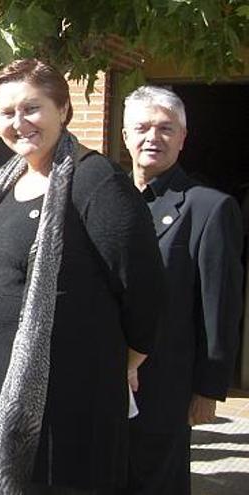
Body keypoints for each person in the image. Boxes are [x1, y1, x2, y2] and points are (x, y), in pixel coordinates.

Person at [0, 59, 165, 493]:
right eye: (7, 113)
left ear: (62, 109)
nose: (18, 123)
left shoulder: (95, 181)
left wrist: (129, 359)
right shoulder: (5, 181)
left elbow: (145, 289)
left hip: (64, 406)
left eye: (31, 109)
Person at [122, 86, 243, 495]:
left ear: (183, 138)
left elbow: (219, 305)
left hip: (166, 385)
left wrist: (208, 389)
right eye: (142, 128)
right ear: (125, 136)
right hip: (106, 380)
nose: (152, 137)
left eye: (165, 128)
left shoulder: (208, 208)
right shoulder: (110, 202)